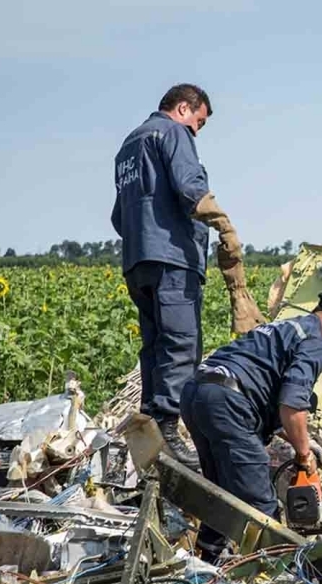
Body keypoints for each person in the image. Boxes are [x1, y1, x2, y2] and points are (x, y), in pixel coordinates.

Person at [179, 291, 322, 564]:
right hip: (228, 402)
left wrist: (303, 439)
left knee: (223, 490)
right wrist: (303, 455)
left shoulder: (285, 327)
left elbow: (268, 393)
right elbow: (291, 404)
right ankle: (271, 577)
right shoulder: (316, 343)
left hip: (197, 393)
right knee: (260, 502)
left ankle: (206, 562)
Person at [111, 83, 235, 471]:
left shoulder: (129, 146)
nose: (196, 131)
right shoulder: (173, 133)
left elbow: (119, 216)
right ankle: (167, 426)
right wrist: (224, 225)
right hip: (172, 259)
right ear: (184, 108)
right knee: (181, 343)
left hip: (138, 259)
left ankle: (148, 423)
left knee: (154, 345)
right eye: (198, 122)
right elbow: (189, 187)